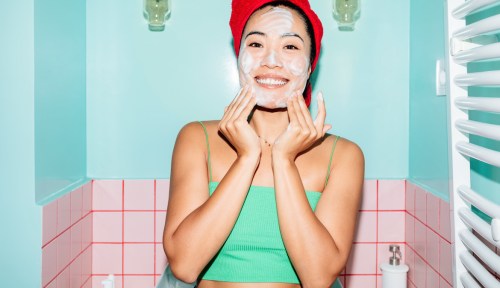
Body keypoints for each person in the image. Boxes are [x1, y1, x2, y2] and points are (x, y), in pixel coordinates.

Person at [162, 0, 364, 287]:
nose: (271, 60)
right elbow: (184, 265)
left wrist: (284, 160)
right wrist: (247, 158)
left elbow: (318, 278)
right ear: (239, 57)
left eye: (290, 47)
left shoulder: (343, 156)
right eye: (256, 44)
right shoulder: (197, 139)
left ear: (310, 66)